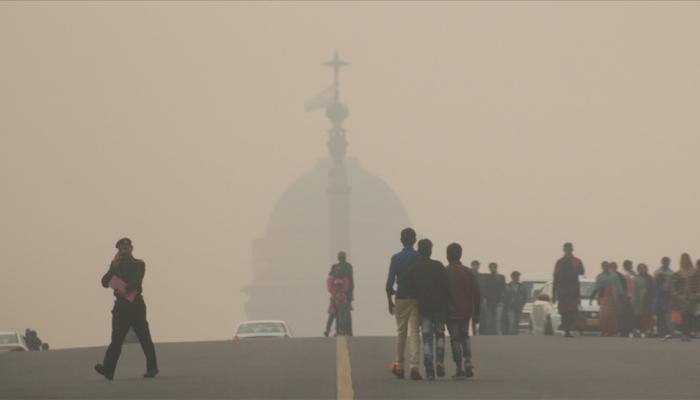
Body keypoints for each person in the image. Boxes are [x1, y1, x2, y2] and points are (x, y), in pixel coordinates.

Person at [95, 238, 158, 380]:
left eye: (126, 249)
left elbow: (136, 282)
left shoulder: (139, 264)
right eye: (121, 249)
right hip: (121, 307)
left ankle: (152, 368)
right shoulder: (115, 265)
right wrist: (113, 268)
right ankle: (108, 369)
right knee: (116, 339)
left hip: (135, 305)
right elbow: (104, 282)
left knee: (144, 338)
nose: (124, 251)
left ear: (131, 249)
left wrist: (122, 289)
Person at [386, 228, 421, 380]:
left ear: (401, 240)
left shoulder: (396, 258)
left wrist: (389, 301)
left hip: (400, 297)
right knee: (414, 332)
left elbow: (389, 284)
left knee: (401, 332)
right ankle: (414, 366)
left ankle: (399, 366)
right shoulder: (419, 257)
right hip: (416, 298)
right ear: (414, 240)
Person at [410, 239, 448, 380]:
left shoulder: (415, 268)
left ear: (419, 251)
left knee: (426, 339)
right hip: (439, 307)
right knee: (439, 334)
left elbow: (412, 288)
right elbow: (446, 286)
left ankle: (430, 370)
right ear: (430, 250)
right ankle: (439, 362)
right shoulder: (438, 266)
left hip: (424, 307)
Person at [445, 243, 480, 379]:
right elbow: (477, 293)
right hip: (466, 311)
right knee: (465, 336)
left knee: (455, 339)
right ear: (460, 255)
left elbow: (441, 293)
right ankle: (468, 360)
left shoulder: (445, 272)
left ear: (447, 256)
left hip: (451, 311)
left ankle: (459, 368)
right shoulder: (468, 272)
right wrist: (477, 312)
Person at [553, 242, 585, 338]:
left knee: (572, 311)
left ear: (571, 249)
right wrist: (554, 292)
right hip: (563, 291)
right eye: (566, 249)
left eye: (569, 249)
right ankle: (567, 330)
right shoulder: (559, 262)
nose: (568, 250)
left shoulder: (576, 261)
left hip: (573, 291)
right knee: (564, 312)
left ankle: (568, 329)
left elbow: (582, 271)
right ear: (564, 250)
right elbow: (555, 277)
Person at [670, 253, 700, 342]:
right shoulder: (678, 273)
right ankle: (684, 333)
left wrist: (698, 293)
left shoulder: (695, 272)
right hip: (682, 297)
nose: (685, 261)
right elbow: (672, 285)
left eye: (686, 259)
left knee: (691, 315)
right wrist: (675, 294)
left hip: (693, 297)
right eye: (683, 259)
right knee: (684, 315)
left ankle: (689, 332)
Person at [324, 251, 354, 337]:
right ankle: (347, 331)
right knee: (345, 313)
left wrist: (332, 291)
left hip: (335, 294)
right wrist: (351, 294)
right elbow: (351, 281)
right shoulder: (348, 266)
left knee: (334, 313)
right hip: (346, 294)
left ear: (338, 258)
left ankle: (332, 330)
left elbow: (330, 279)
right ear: (345, 257)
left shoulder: (334, 267)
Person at [591, 262, 624, 337]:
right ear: (602, 267)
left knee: (612, 315)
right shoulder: (599, 276)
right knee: (603, 315)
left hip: (613, 297)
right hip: (604, 297)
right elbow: (596, 287)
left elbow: (619, 287)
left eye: (607, 266)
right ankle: (604, 330)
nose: (605, 268)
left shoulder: (614, 275)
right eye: (604, 266)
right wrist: (592, 297)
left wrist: (621, 296)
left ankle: (612, 331)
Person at [653, 257, 674, 339]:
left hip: (667, 297)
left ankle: (668, 332)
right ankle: (661, 332)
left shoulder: (671, 273)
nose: (666, 263)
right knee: (660, 318)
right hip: (659, 302)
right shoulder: (657, 272)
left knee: (667, 317)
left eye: (667, 261)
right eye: (664, 261)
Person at [502, 271, 528, 335]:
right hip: (510, 307)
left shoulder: (522, 286)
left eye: (518, 276)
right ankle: (512, 335)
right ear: (512, 277)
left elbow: (525, 296)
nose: (517, 278)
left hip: (519, 307)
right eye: (515, 276)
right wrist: (506, 306)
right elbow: (504, 297)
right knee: (512, 321)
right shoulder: (507, 286)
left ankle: (515, 334)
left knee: (517, 322)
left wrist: (522, 303)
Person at [632, 264, 654, 338]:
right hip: (638, 301)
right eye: (640, 269)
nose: (642, 270)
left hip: (648, 300)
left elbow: (653, 289)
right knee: (638, 316)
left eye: (644, 268)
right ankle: (638, 331)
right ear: (638, 270)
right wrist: (634, 300)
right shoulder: (636, 279)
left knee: (648, 316)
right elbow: (634, 290)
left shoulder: (650, 278)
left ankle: (648, 331)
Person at [483, 263, 505, 335]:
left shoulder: (501, 277)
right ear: (489, 268)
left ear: (496, 268)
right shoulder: (487, 277)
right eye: (491, 267)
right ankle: (490, 333)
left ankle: (497, 332)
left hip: (499, 301)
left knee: (498, 318)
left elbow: (503, 289)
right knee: (489, 318)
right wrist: (485, 299)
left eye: (494, 267)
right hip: (489, 301)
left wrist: (502, 300)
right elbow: (485, 289)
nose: (492, 269)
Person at [618, 260, 637, 337]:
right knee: (625, 315)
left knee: (630, 315)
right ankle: (624, 331)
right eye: (629, 265)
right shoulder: (623, 274)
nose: (631, 267)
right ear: (625, 265)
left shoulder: (632, 274)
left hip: (632, 296)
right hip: (626, 297)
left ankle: (629, 330)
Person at [471, 260, 487, 335]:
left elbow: (483, 288)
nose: (475, 266)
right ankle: (474, 332)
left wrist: (484, 298)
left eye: (477, 265)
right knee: (472, 316)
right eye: (474, 265)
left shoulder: (481, 276)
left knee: (480, 316)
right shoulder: (469, 275)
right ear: (472, 266)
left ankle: (480, 332)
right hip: (471, 299)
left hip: (480, 298)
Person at [324, 263, 341, 337]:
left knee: (338, 317)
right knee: (332, 316)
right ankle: (327, 330)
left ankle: (336, 331)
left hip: (339, 298)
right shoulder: (331, 278)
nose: (337, 271)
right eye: (336, 269)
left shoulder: (338, 278)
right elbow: (330, 289)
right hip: (334, 299)